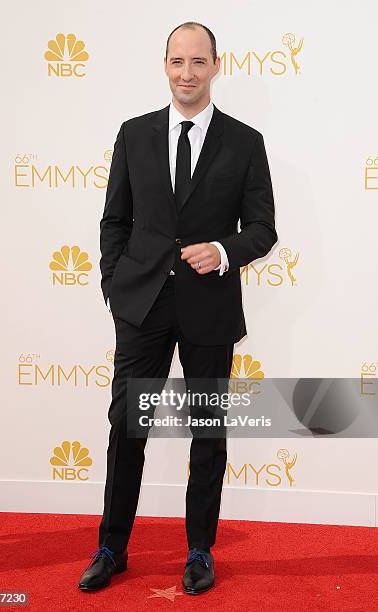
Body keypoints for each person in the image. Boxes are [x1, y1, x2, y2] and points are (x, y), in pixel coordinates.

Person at [78, 21, 277, 595]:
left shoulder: (244, 142)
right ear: (164, 66)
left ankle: (199, 552)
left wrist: (222, 251)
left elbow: (262, 229)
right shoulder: (134, 134)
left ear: (217, 65)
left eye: (197, 62)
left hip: (209, 306)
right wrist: (115, 284)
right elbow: (114, 219)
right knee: (127, 428)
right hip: (140, 305)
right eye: (176, 62)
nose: (186, 73)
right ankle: (112, 547)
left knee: (207, 432)